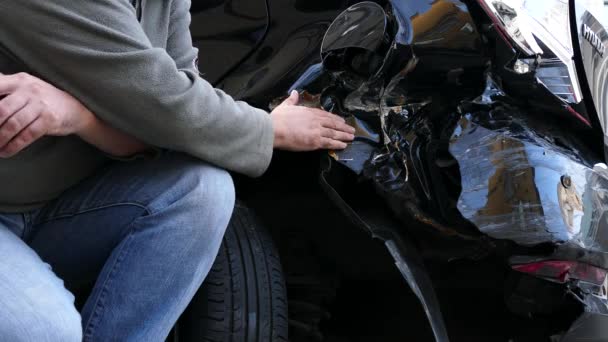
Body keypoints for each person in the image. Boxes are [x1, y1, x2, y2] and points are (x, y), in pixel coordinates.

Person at [0, 0, 355, 341]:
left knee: (202, 189)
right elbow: (160, 99)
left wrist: (78, 116)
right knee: (46, 332)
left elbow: (170, 119)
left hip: (60, 207)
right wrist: (271, 130)